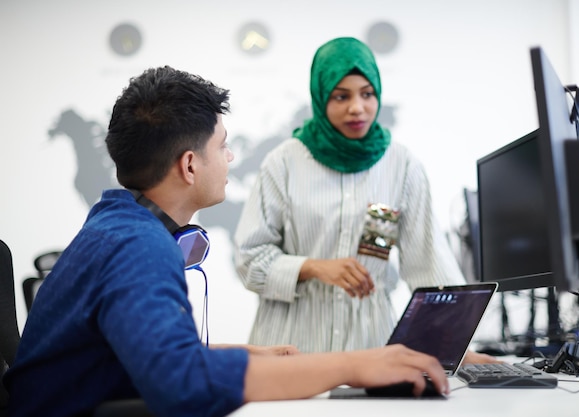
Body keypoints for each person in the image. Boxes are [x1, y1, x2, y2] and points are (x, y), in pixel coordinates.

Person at [4, 66, 452, 417]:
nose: (231, 157)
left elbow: (125, 354)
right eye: (223, 146)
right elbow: (181, 385)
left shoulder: (115, 225)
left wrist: (237, 353)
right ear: (190, 166)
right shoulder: (139, 246)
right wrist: (354, 365)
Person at [234, 37, 495, 364]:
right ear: (320, 97)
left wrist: (457, 347)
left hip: (369, 348)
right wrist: (313, 267)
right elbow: (249, 259)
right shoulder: (283, 162)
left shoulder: (401, 165)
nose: (357, 108)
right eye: (341, 96)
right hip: (291, 346)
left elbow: (430, 266)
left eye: (367, 94)